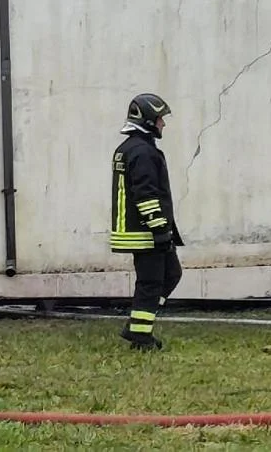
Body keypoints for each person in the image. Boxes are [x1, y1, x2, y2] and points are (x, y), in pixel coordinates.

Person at [109, 92, 183, 350]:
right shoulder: (142, 152)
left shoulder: (131, 149)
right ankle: (140, 335)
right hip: (145, 232)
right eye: (160, 118)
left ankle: (138, 324)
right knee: (151, 283)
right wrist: (159, 228)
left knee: (171, 274)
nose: (163, 124)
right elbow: (146, 194)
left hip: (142, 230)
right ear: (149, 120)